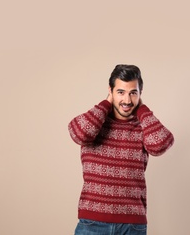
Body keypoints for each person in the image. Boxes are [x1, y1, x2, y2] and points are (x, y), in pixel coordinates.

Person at [68, 64, 174, 235]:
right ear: (110, 91)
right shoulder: (95, 122)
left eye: (133, 93)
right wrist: (105, 104)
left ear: (140, 94)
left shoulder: (144, 126)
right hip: (92, 224)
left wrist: (142, 110)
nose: (127, 100)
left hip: (132, 226)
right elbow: (80, 133)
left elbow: (160, 144)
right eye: (121, 92)